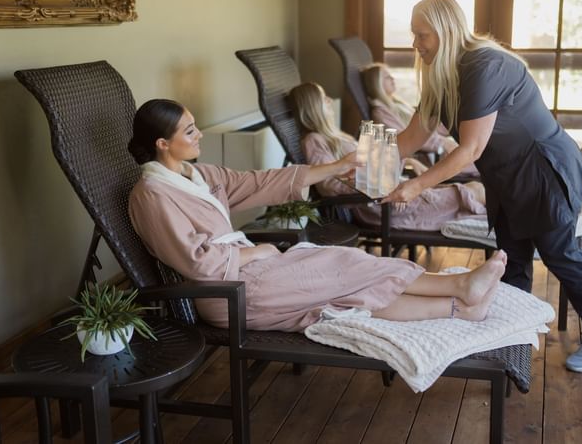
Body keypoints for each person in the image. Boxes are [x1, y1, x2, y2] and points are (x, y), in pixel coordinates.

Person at [383, 0, 582, 373]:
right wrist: (367, 163)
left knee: (560, 254)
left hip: (543, 170)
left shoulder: (485, 65)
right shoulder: (440, 74)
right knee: (511, 260)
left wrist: (416, 186)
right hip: (506, 175)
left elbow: (471, 148)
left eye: (421, 35)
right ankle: (512, 336)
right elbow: (411, 137)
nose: (415, 44)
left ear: (445, 32)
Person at [127, 98, 507, 333]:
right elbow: (199, 264)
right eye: (190, 131)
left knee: (347, 290)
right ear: (163, 144)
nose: (199, 136)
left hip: (252, 277)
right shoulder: (151, 195)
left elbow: (261, 182)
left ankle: (458, 308)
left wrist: (337, 166)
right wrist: (257, 252)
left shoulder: (199, 175)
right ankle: (457, 286)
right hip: (227, 294)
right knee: (345, 265)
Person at [288, 82, 486, 231]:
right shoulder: (313, 140)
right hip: (381, 206)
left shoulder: (338, 137)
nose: (330, 101)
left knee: (476, 190)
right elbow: (327, 185)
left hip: (393, 195)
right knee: (476, 191)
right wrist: (383, 186)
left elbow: (374, 161)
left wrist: (407, 160)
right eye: (324, 98)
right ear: (312, 107)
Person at [360, 62, 457, 156]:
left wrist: (452, 128)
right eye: (387, 77)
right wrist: (441, 144)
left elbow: (426, 125)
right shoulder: (381, 113)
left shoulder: (398, 104)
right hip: (436, 147)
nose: (392, 78)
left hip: (439, 141)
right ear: (377, 84)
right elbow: (401, 140)